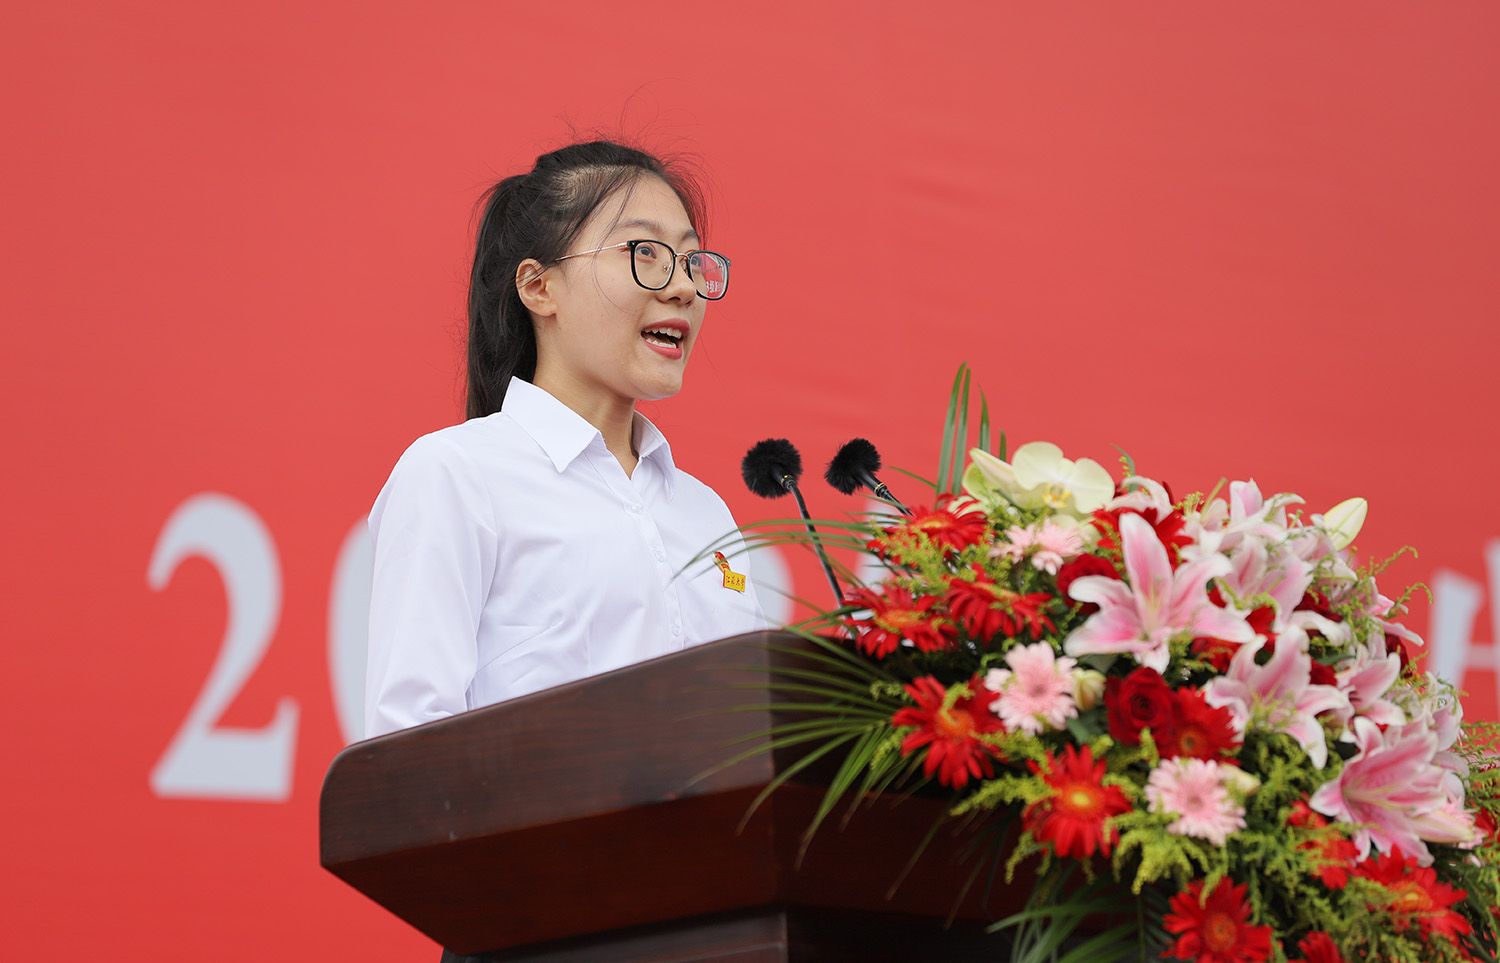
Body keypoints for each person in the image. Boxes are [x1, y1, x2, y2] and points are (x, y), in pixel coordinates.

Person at [363, 140, 770, 746]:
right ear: (539, 287)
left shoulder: (705, 512)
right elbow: (408, 746)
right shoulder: (458, 475)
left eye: (690, 261)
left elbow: (753, 737)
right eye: (645, 253)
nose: (683, 288)